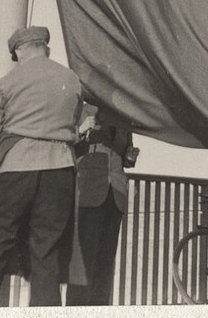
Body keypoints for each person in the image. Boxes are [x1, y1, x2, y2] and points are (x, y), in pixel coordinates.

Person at [0, 26, 83, 307]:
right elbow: (75, 125)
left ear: (19, 51)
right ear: (44, 47)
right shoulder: (71, 79)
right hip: (60, 170)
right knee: (47, 249)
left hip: (17, 168)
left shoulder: (10, 80)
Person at [66, 106, 140, 305]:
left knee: (106, 263)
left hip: (114, 195)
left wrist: (130, 156)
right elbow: (62, 142)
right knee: (82, 262)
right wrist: (80, 130)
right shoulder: (81, 109)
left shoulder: (123, 116)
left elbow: (124, 156)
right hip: (89, 192)